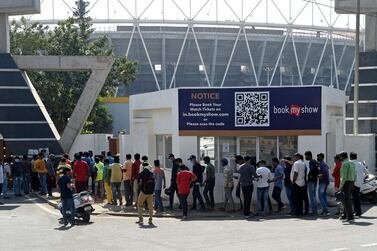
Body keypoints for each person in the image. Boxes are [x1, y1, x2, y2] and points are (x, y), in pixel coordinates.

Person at [339, 151, 356, 222]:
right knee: (347, 199)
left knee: (346, 201)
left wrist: (341, 185)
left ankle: (350, 217)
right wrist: (354, 182)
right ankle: (345, 215)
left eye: (340, 157)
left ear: (343, 157)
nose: (340, 158)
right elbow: (355, 174)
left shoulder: (344, 163)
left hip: (346, 183)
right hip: (351, 182)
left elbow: (344, 176)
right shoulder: (351, 162)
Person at [350, 152, 368, 217]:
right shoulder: (360, 163)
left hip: (353, 183)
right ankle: (358, 211)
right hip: (359, 183)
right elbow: (366, 172)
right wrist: (362, 178)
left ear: (351, 157)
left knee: (354, 198)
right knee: (356, 197)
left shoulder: (351, 163)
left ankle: (356, 212)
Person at [305, 151, 319, 215]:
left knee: (312, 196)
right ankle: (314, 211)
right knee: (313, 196)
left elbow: (312, 170)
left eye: (306, 156)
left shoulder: (311, 162)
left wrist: (309, 178)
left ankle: (314, 212)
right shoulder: (315, 161)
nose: (305, 157)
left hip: (311, 181)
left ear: (309, 155)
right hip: (315, 180)